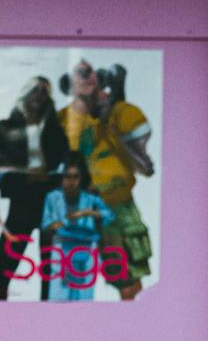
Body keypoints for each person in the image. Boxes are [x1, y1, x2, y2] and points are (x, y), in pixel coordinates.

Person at [60, 59, 155, 300]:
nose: (87, 77)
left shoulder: (117, 113)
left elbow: (139, 137)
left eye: (90, 73)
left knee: (127, 272)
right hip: (76, 207)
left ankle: (130, 320)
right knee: (72, 276)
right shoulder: (62, 120)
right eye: (80, 73)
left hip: (116, 203)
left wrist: (113, 104)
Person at [0, 76, 69, 301]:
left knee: (52, 274)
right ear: (25, 94)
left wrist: (53, 180)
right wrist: (20, 178)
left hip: (50, 205)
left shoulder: (56, 132)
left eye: (44, 91)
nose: (39, 95)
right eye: (35, 90)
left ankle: (51, 318)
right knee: (3, 271)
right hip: (22, 203)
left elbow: (69, 167)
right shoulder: (4, 131)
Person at [40, 156, 114, 302]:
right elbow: (46, 225)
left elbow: (109, 214)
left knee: (84, 297)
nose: (71, 181)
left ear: (81, 178)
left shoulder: (89, 198)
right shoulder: (52, 197)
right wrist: (66, 221)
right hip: (61, 248)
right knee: (59, 298)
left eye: (76, 177)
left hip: (86, 248)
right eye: (67, 176)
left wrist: (89, 213)